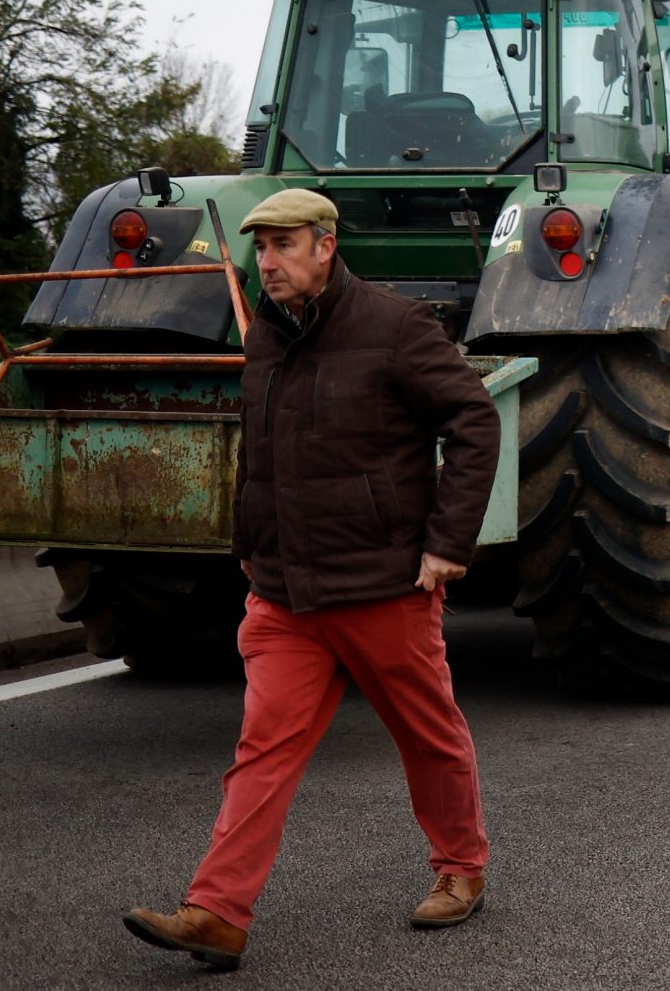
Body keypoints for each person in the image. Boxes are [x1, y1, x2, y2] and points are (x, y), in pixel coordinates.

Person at [126, 189, 503, 969]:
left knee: (427, 736)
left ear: (326, 246)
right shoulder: (266, 334)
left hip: (383, 587)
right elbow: (259, 451)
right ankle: (218, 912)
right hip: (286, 595)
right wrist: (247, 541)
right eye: (261, 249)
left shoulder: (396, 327)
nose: (268, 263)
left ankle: (460, 868)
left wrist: (446, 544)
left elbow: (474, 419)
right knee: (261, 750)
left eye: (285, 247)